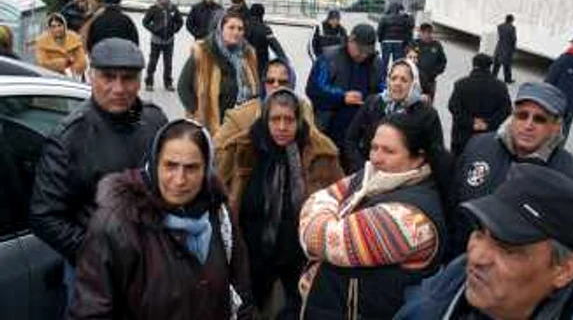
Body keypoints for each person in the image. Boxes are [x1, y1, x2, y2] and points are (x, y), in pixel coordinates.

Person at [68, 119, 254, 319]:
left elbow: (240, 291)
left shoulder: (219, 216)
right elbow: (90, 312)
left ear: (206, 170)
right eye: (170, 166)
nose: (179, 179)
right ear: (155, 163)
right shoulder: (117, 226)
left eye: (191, 168)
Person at [29, 38, 168, 304]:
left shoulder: (154, 120)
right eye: (108, 77)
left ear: (139, 81)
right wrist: (99, 253)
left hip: (152, 267)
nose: (118, 88)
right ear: (91, 77)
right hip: (95, 275)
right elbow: (44, 216)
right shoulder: (68, 138)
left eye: (128, 78)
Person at [395, 164, 573, 320]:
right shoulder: (451, 283)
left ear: (564, 270)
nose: (476, 257)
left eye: (507, 248)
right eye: (480, 233)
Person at [298, 113, 447, 319]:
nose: (375, 158)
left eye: (389, 151)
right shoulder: (374, 177)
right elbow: (319, 196)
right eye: (374, 147)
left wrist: (322, 215)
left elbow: (319, 239)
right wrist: (321, 212)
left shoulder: (410, 219)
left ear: (418, 158)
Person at [219, 88, 344, 319]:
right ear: (265, 119)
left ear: (299, 120)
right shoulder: (243, 149)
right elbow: (220, 196)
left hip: (298, 261)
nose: (282, 127)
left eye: (289, 120)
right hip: (249, 257)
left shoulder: (320, 155)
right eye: (275, 119)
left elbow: (340, 205)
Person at [450, 81, 573, 259]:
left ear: (556, 125)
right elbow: (453, 205)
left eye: (539, 119)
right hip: (464, 266)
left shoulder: (572, 179)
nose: (528, 125)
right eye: (522, 115)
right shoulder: (478, 147)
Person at [306, 23, 385, 169]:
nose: (363, 55)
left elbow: (383, 94)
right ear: (350, 41)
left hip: (361, 139)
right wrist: (342, 97)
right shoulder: (328, 58)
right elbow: (313, 90)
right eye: (360, 50)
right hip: (329, 132)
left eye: (367, 52)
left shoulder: (376, 64)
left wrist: (370, 101)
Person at [344, 58, 443, 174]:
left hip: (406, 180)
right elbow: (351, 138)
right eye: (393, 78)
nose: (397, 83)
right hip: (369, 174)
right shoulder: (373, 103)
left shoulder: (427, 114)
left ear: (413, 84)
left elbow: (436, 153)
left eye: (404, 80)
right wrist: (362, 168)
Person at [178, 11, 259, 136]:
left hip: (239, 125)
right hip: (209, 126)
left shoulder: (248, 54)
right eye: (231, 27)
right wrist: (198, 113)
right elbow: (183, 87)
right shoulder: (203, 52)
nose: (236, 32)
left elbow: (255, 88)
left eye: (240, 29)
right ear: (221, 29)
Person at [449, 53, 512, 156]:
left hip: (462, 136)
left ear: (474, 65)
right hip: (487, 138)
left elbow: (453, 107)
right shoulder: (500, 87)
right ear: (489, 67)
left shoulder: (460, 84)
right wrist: (487, 123)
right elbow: (506, 111)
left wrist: (471, 121)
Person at [142, 0, 183, 91]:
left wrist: (174, 29)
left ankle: (168, 83)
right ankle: (149, 82)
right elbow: (145, 22)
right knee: (153, 62)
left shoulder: (172, 8)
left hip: (169, 40)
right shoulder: (153, 9)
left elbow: (180, 21)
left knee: (168, 63)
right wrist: (154, 29)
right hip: (156, 40)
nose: (163, 0)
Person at [34, 13, 87, 78]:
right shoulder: (42, 41)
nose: (57, 29)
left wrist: (70, 71)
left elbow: (82, 62)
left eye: (59, 25)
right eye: (53, 26)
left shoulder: (74, 38)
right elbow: (42, 63)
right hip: (51, 78)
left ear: (64, 26)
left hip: (73, 78)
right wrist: (64, 62)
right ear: (49, 28)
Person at [247, 3, 287, 79]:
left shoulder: (243, 26)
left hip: (245, 64)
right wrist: (285, 61)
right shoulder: (265, 29)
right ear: (262, 14)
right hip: (261, 65)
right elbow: (276, 46)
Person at [377, 2, 414, 74]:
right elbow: (409, 27)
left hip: (386, 41)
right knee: (397, 61)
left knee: (384, 60)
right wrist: (409, 15)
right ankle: (395, 74)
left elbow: (380, 30)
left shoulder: (384, 17)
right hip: (399, 41)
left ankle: (382, 77)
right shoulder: (404, 18)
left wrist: (380, 40)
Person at [414, 23, 447, 102]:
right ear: (420, 33)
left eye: (429, 33)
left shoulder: (437, 45)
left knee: (428, 105)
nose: (427, 35)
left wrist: (434, 73)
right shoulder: (414, 44)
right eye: (424, 33)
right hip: (415, 81)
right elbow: (407, 59)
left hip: (430, 82)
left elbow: (443, 62)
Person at [493, 14, 517, 84]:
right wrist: (513, 49)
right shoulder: (512, 28)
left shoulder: (500, 26)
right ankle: (507, 79)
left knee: (496, 64)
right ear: (511, 20)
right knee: (507, 65)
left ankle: (493, 77)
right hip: (507, 48)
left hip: (499, 46)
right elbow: (513, 39)